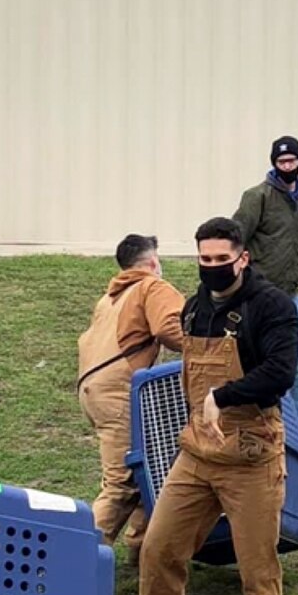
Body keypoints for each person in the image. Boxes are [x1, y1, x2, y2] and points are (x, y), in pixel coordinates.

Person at [109, 218, 298, 595]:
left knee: (257, 570)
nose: (213, 268)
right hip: (196, 453)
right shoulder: (194, 308)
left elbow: (279, 374)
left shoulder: (272, 308)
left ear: (243, 258)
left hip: (251, 454)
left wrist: (223, 394)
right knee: (158, 549)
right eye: (204, 260)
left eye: (222, 260)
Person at [77, 234, 184, 565]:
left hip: (93, 391)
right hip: (119, 393)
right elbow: (171, 327)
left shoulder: (111, 297)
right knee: (121, 485)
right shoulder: (152, 287)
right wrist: (209, 352)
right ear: (152, 263)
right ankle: (79, 564)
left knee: (146, 469)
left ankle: (142, 554)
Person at [233, 135, 298, 413]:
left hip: (290, 299)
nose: (287, 166)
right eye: (281, 161)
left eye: (292, 160)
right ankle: (259, 425)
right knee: (258, 366)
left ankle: (295, 433)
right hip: (258, 296)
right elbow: (234, 240)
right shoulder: (257, 197)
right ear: (273, 163)